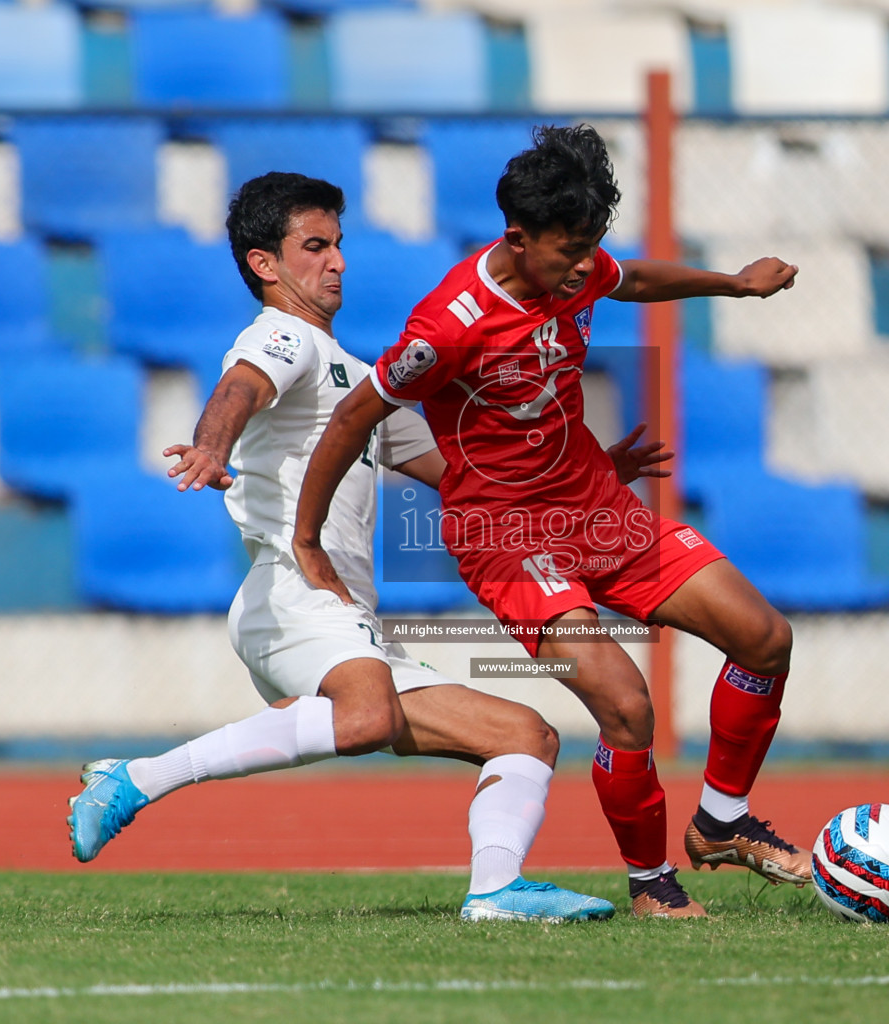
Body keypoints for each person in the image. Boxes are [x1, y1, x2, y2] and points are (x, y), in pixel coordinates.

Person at [66, 170, 672, 923]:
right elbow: (239, 390)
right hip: (296, 593)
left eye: (339, 245)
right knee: (362, 719)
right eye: (315, 247)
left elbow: (462, 474)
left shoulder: (355, 377)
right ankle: (137, 780)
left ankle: (495, 890)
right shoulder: (280, 338)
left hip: (339, 618)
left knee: (525, 735)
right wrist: (209, 446)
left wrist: (585, 472)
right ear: (266, 265)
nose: (338, 262)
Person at [292, 124, 810, 918]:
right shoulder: (449, 325)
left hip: (594, 506)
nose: (583, 267)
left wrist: (733, 285)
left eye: (589, 246)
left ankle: (721, 822)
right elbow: (353, 418)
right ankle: (650, 886)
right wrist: (305, 536)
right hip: (502, 536)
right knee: (626, 703)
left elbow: (627, 279)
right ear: (517, 238)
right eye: (570, 250)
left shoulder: (575, 265)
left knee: (765, 637)